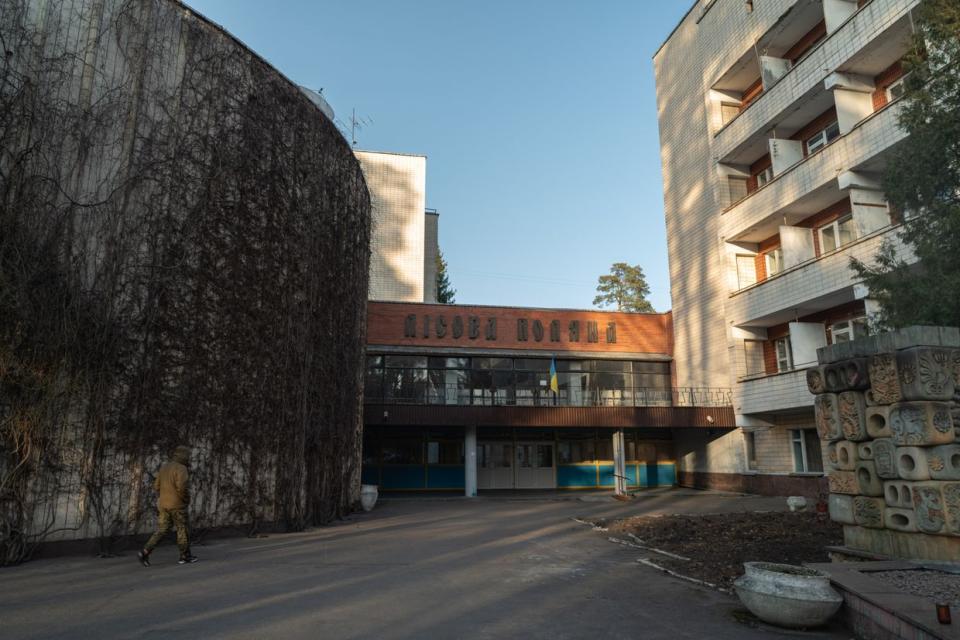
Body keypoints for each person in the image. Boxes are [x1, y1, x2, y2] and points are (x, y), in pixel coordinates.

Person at [138, 445, 198, 566]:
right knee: (182, 530)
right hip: (177, 506)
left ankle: (145, 551)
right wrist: (186, 499)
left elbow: (156, 486)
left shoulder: (165, 467)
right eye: (188, 455)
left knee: (162, 530)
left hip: (164, 505)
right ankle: (184, 556)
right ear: (184, 456)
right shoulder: (181, 468)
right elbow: (182, 488)